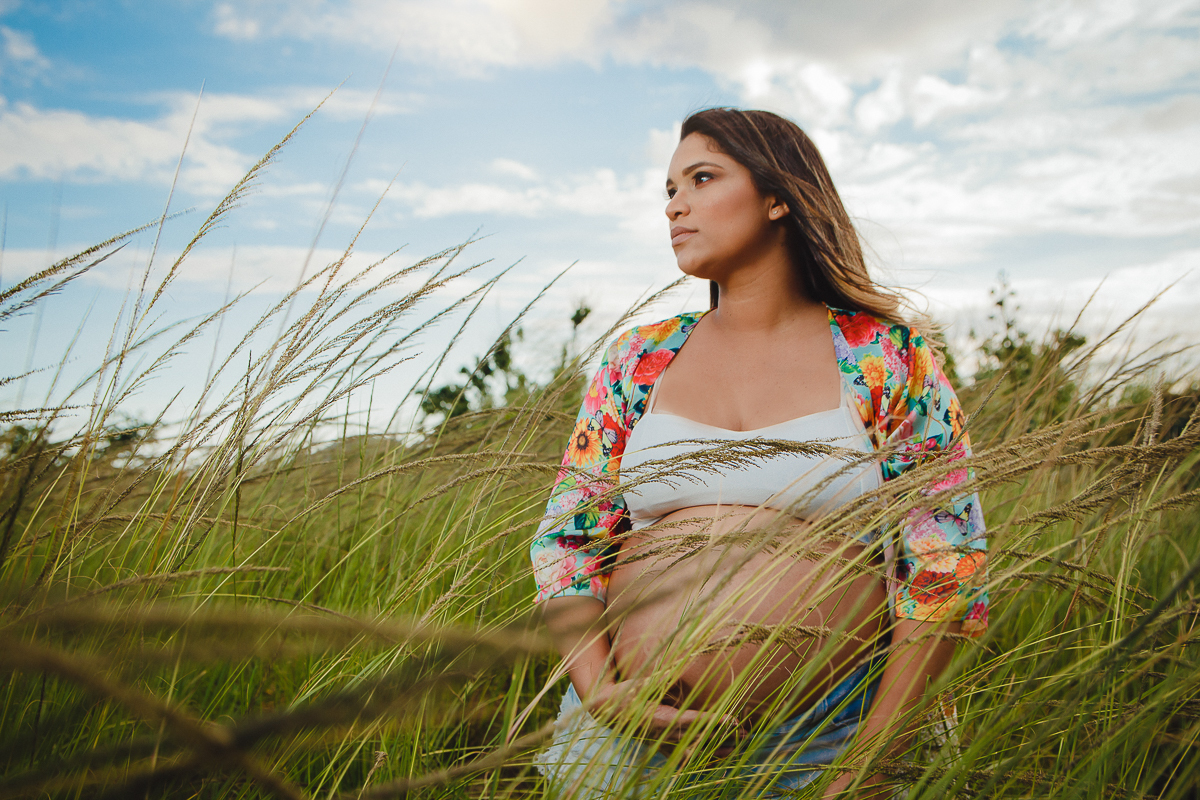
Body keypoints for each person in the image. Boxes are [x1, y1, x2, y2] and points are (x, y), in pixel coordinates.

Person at [529, 108, 988, 799]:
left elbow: (946, 561)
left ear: (779, 197)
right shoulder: (639, 358)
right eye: (669, 189)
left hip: (832, 729)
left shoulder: (887, 358)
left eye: (701, 178)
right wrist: (598, 694)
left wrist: (870, 760)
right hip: (628, 729)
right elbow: (566, 542)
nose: (674, 206)